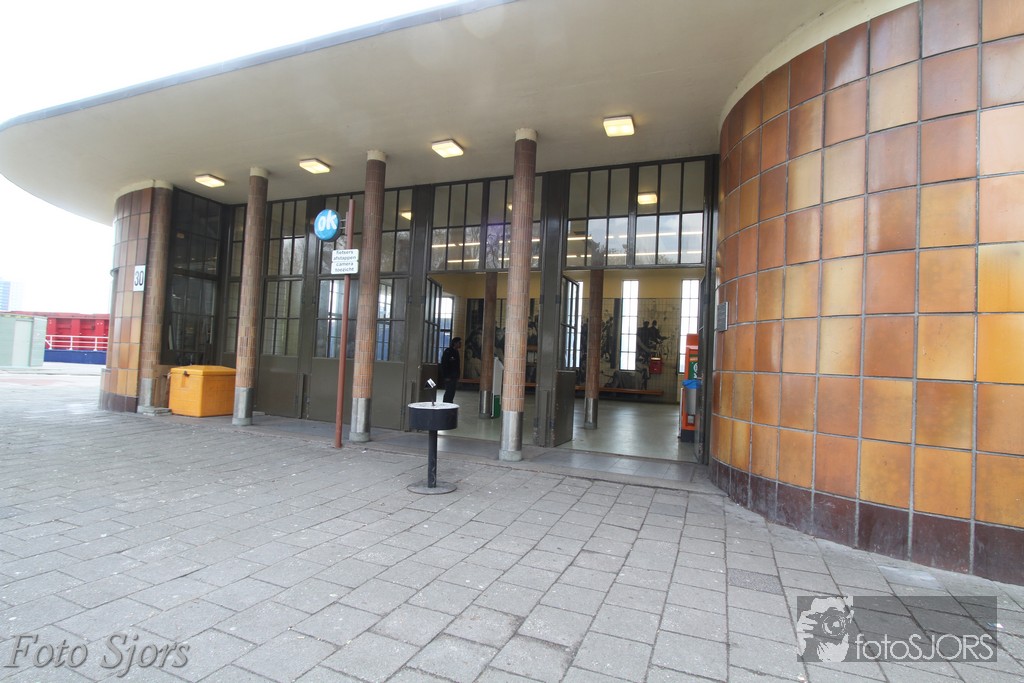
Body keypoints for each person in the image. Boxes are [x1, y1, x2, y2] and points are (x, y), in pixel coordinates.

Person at [440, 337, 462, 404]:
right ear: (455, 343)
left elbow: (457, 365)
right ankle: (445, 404)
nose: (460, 344)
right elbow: (444, 364)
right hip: (449, 376)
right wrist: (446, 376)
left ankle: (450, 403)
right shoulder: (448, 351)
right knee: (448, 391)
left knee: (452, 392)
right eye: (459, 343)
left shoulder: (456, 352)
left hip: (454, 376)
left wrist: (458, 375)